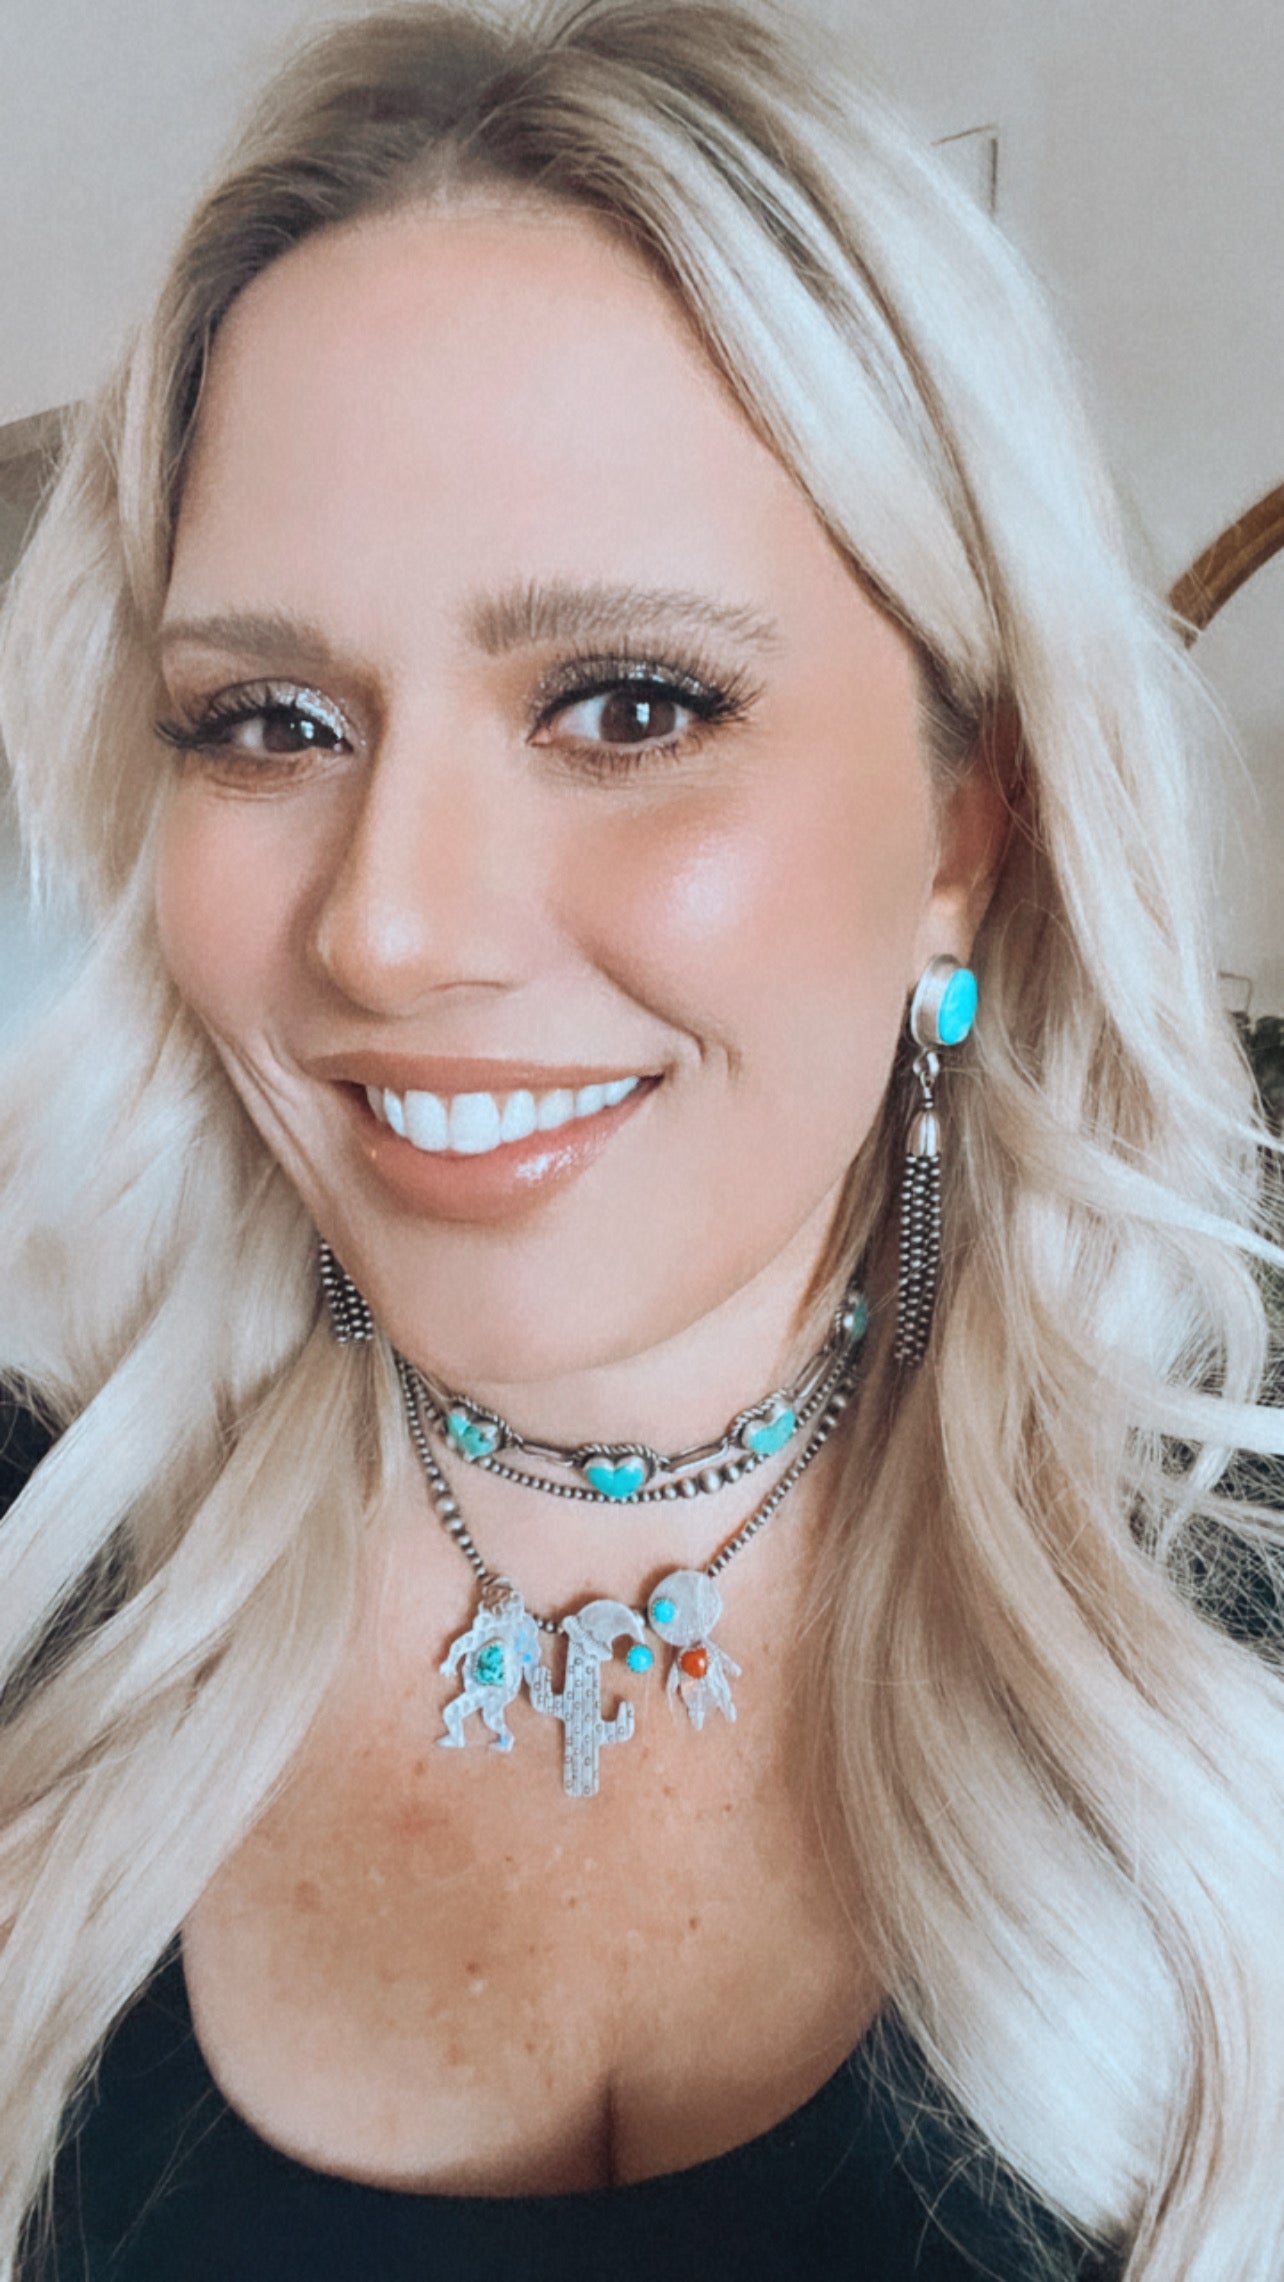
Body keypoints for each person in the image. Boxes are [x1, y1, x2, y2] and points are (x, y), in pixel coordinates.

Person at [1, 1, 1281, 2274]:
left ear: (967, 826)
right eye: (267, 720)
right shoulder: (42, 1572)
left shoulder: (1229, 1605)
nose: (386, 929)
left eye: (627, 701)